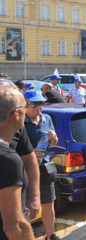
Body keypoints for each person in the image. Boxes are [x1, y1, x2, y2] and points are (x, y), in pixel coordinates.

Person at [22, 91, 60, 240]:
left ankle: (50, 234)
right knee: (25, 206)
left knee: (48, 202)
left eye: (41, 103)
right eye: (35, 104)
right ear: (25, 104)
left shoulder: (47, 118)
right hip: (25, 169)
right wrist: (31, 153)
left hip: (44, 167)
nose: (39, 108)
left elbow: (54, 143)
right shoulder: (19, 121)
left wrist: (53, 138)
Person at [0, 86, 36, 240]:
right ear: (16, 114)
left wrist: (35, 196)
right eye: (25, 106)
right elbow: (15, 227)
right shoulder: (8, 160)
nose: (27, 109)